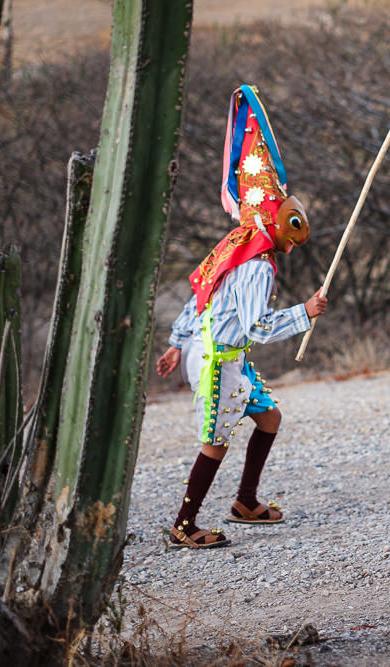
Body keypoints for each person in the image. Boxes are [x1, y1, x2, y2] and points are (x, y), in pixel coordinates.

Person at [157, 85, 327, 549]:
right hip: (217, 360)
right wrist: (304, 314)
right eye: (291, 233)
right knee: (215, 441)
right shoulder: (255, 266)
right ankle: (183, 526)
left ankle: (245, 503)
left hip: (226, 355)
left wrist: (177, 341)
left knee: (268, 417)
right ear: (274, 223)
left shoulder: (234, 248)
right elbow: (258, 326)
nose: (293, 244)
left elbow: (200, 295)